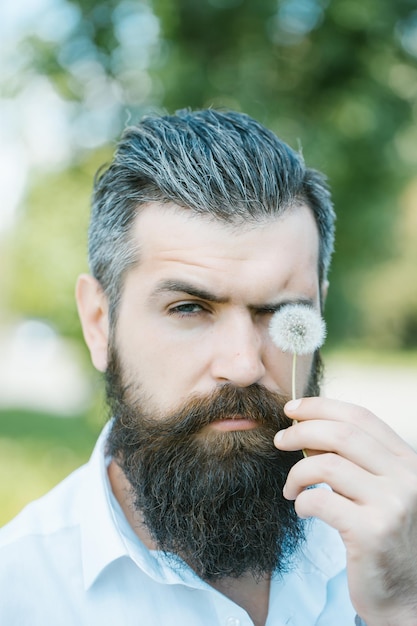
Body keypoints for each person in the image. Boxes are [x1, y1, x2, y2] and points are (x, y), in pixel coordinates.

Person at [1, 109, 416, 626]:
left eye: (282, 313)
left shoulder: (404, 548)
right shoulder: (17, 594)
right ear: (98, 322)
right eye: (189, 309)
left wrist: (403, 606)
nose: (243, 365)